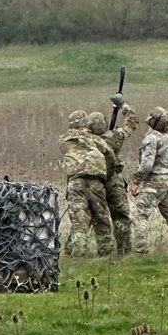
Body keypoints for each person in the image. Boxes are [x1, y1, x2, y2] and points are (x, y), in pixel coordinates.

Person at [58, 109, 114, 257]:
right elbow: (110, 156)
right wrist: (107, 173)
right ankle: (106, 255)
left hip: (75, 182)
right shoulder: (95, 139)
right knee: (101, 218)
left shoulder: (64, 138)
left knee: (79, 222)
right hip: (96, 182)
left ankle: (78, 255)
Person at [131, 106, 168, 254]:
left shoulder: (151, 139)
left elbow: (146, 164)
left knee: (140, 214)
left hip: (154, 180)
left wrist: (136, 182)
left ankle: (141, 250)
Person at [87, 104, 139, 254]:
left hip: (95, 181)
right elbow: (132, 122)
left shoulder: (87, 141)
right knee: (121, 216)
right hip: (114, 180)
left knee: (97, 217)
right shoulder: (114, 136)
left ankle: (102, 251)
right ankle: (125, 250)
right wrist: (124, 107)